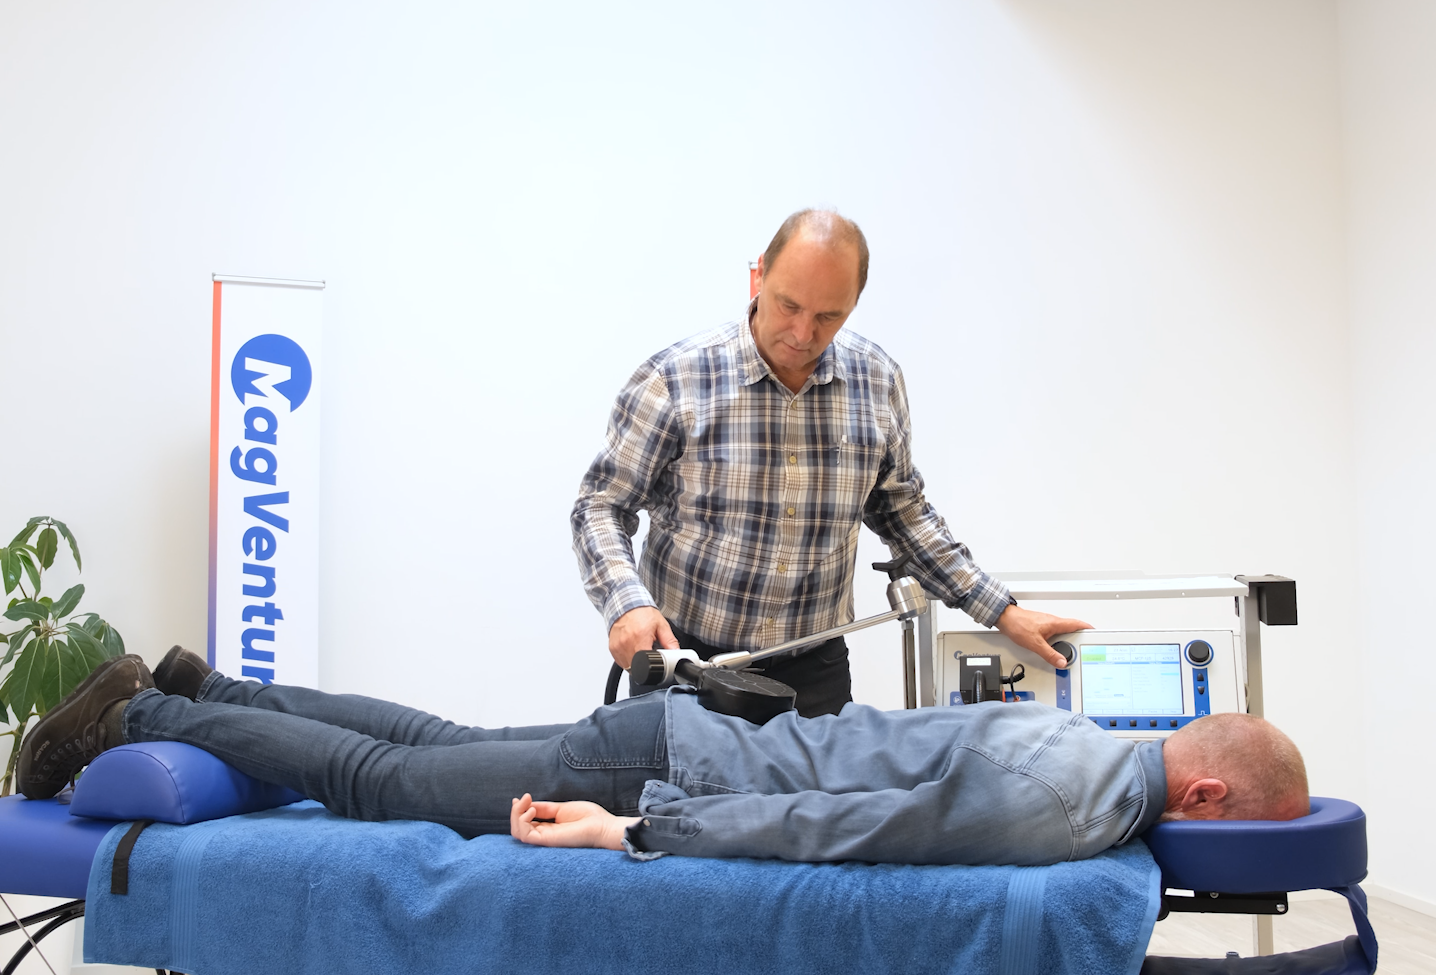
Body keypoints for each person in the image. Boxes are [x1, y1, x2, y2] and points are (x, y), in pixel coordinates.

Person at [19, 650, 1309, 867]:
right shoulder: (1069, 809)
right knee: (380, 785)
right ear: (1200, 794)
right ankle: (141, 719)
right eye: (1229, 836)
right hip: (660, 776)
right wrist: (634, 835)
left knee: (429, 745)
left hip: (679, 731)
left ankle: (214, 688)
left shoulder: (1072, 729)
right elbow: (841, 832)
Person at [572, 209, 1090, 716]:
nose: (802, 333)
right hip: (688, 666)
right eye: (788, 305)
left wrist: (1002, 611)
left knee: (819, 806)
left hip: (814, 676)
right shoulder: (676, 379)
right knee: (676, 805)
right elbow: (601, 504)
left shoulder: (877, 382)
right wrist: (626, 603)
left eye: (828, 317)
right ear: (758, 276)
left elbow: (903, 515)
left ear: (853, 304)